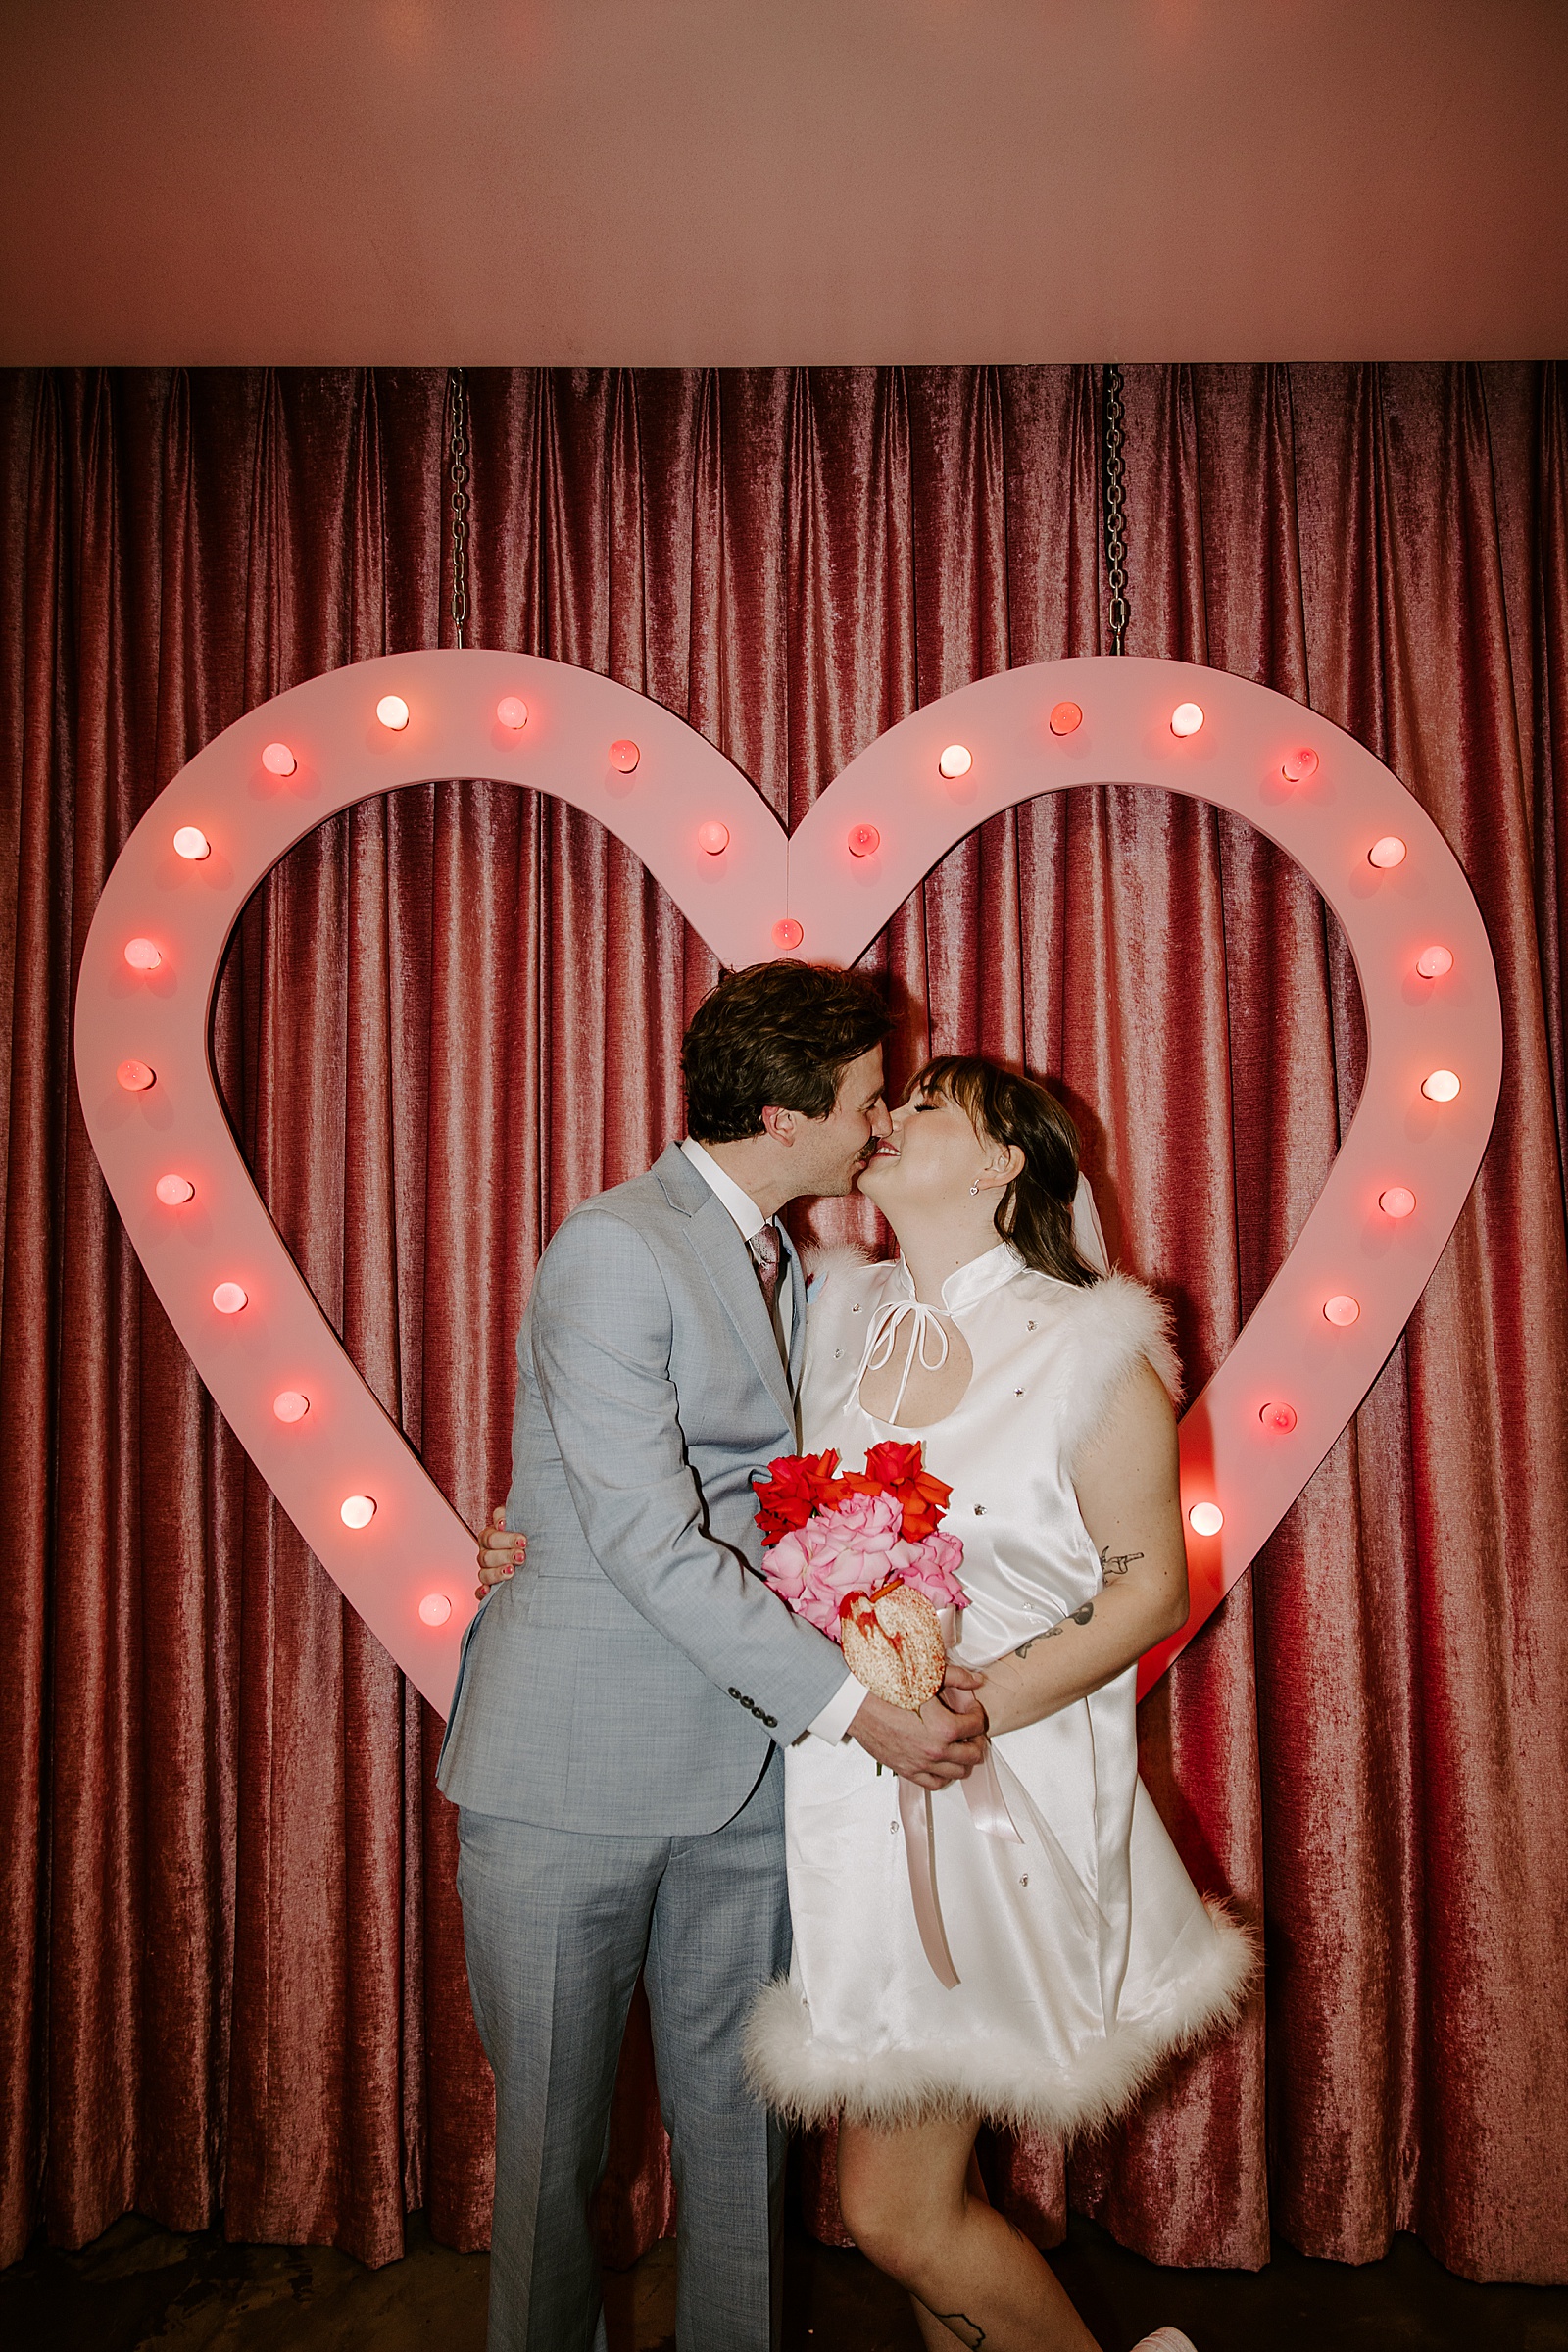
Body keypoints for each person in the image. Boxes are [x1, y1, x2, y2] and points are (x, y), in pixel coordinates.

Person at [437, 962, 990, 2352]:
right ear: (780, 1110)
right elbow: (648, 1541)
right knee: (555, 2163)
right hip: (570, 1772)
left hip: (746, 1776)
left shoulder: (792, 1258)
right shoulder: (618, 1246)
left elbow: (786, 1499)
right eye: (868, 1097)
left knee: (742, 2148)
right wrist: (854, 1709)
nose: (881, 1125)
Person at [740, 1055, 1255, 2352]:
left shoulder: (1084, 1344)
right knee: (929, 2198)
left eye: (931, 1109)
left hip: (992, 1806)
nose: (892, 1118)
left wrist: (974, 1702)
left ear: (1004, 1163)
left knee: (896, 2212)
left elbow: (1149, 1585)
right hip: (847, 1795)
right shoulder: (830, 1321)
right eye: (892, 1101)